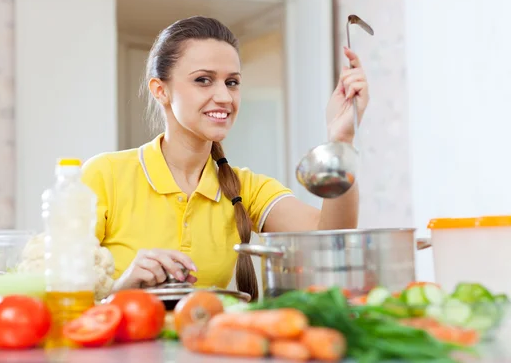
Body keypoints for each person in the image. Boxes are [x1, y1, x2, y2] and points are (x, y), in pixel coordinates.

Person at [81, 16, 369, 300]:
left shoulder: (246, 189)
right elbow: (59, 300)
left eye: (232, 82)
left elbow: (330, 238)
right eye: (203, 80)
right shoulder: (105, 175)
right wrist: (121, 291)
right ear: (161, 90)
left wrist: (341, 141)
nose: (224, 97)